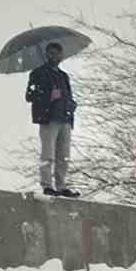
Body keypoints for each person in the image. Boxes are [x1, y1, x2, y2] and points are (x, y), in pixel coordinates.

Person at [25, 41, 79, 197]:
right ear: (47, 54)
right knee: (48, 154)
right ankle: (47, 185)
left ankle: (61, 186)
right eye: (51, 53)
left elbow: (67, 95)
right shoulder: (38, 73)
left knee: (64, 156)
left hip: (65, 118)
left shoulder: (63, 76)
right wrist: (48, 95)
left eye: (57, 53)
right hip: (49, 118)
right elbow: (30, 96)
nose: (55, 56)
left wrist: (71, 104)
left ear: (61, 55)